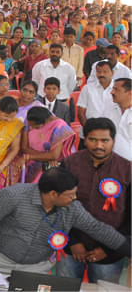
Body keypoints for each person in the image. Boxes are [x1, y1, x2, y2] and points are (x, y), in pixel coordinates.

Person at [0, 166, 131, 276]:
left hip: (36, 269)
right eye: (70, 195)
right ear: (52, 194)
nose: (75, 198)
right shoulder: (12, 196)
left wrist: (128, 249)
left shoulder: (73, 208)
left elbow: (99, 229)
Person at [59, 118, 131, 283]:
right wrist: (73, 241)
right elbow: (59, 206)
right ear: (85, 139)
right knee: (64, 288)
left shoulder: (127, 170)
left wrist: (108, 248)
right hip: (71, 248)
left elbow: (130, 217)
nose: (99, 145)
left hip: (109, 254)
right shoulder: (70, 164)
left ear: (113, 140)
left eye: (105, 140)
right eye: (93, 140)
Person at [22, 105, 76, 183]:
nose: (32, 129)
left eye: (36, 127)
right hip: (33, 163)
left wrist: (30, 156)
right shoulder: (30, 120)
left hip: (54, 166)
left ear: (46, 122)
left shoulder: (59, 126)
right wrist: (45, 157)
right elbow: (24, 148)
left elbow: (54, 155)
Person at [77, 60, 117, 126]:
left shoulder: (118, 89)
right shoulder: (87, 88)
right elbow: (81, 113)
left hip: (112, 132)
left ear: (112, 72)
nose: (101, 74)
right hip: (89, 131)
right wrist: (88, 130)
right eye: (99, 72)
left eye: (105, 72)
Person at [111, 78, 132, 160]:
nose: (112, 92)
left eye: (116, 90)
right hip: (108, 164)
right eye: (113, 89)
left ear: (130, 93)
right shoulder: (108, 109)